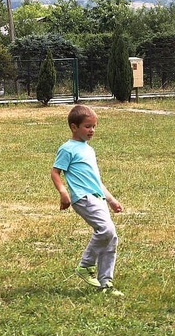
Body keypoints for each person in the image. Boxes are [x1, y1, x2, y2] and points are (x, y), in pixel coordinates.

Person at [51, 105, 124, 296]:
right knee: (105, 230)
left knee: (111, 237)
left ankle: (105, 282)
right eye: (87, 126)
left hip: (97, 197)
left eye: (94, 126)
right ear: (74, 127)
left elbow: (96, 181)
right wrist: (63, 192)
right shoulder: (67, 149)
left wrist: (111, 200)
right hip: (83, 198)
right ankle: (85, 265)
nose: (92, 130)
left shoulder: (88, 150)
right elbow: (55, 172)